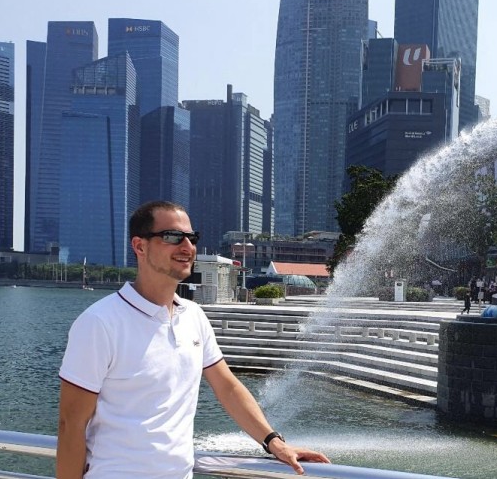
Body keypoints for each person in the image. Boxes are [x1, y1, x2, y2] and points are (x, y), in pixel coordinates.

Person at [57, 201, 330, 478]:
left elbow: (228, 387)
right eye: (172, 237)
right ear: (140, 246)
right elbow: (71, 425)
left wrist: (274, 442)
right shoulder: (99, 323)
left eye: (192, 237)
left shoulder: (193, 316)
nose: (187, 247)